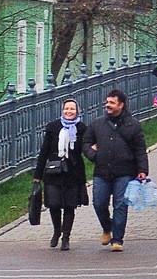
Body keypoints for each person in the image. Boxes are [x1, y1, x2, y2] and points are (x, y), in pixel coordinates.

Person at [83, 88, 148, 252]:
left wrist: (142, 169)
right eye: (107, 102)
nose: (108, 105)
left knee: (120, 205)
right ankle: (107, 227)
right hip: (102, 172)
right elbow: (85, 143)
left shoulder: (132, 125)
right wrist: (93, 155)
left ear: (121, 105)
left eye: (112, 102)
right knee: (99, 203)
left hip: (124, 172)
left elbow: (140, 149)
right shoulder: (97, 124)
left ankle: (117, 239)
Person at [35, 98, 88, 251]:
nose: (69, 112)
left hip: (73, 172)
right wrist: (37, 175)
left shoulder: (82, 128)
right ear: (62, 110)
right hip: (53, 172)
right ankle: (57, 231)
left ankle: (66, 237)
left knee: (70, 206)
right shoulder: (53, 127)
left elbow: (86, 149)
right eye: (66, 109)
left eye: (72, 109)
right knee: (54, 204)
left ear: (77, 111)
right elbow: (44, 152)